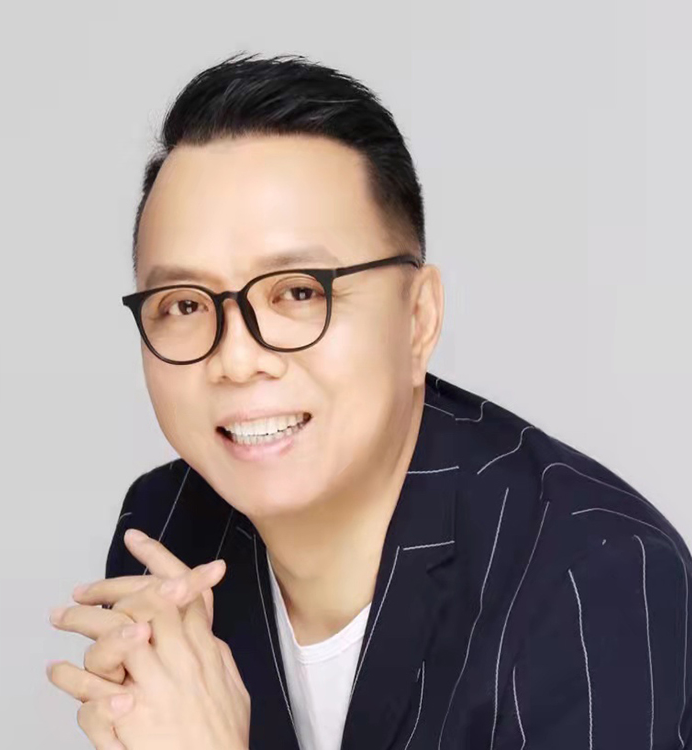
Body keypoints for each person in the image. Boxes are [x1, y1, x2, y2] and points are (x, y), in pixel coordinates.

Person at [47, 51, 692, 750]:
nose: (235, 358)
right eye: (183, 304)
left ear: (418, 318)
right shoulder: (170, 531)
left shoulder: (594, 575)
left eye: (299, 292)